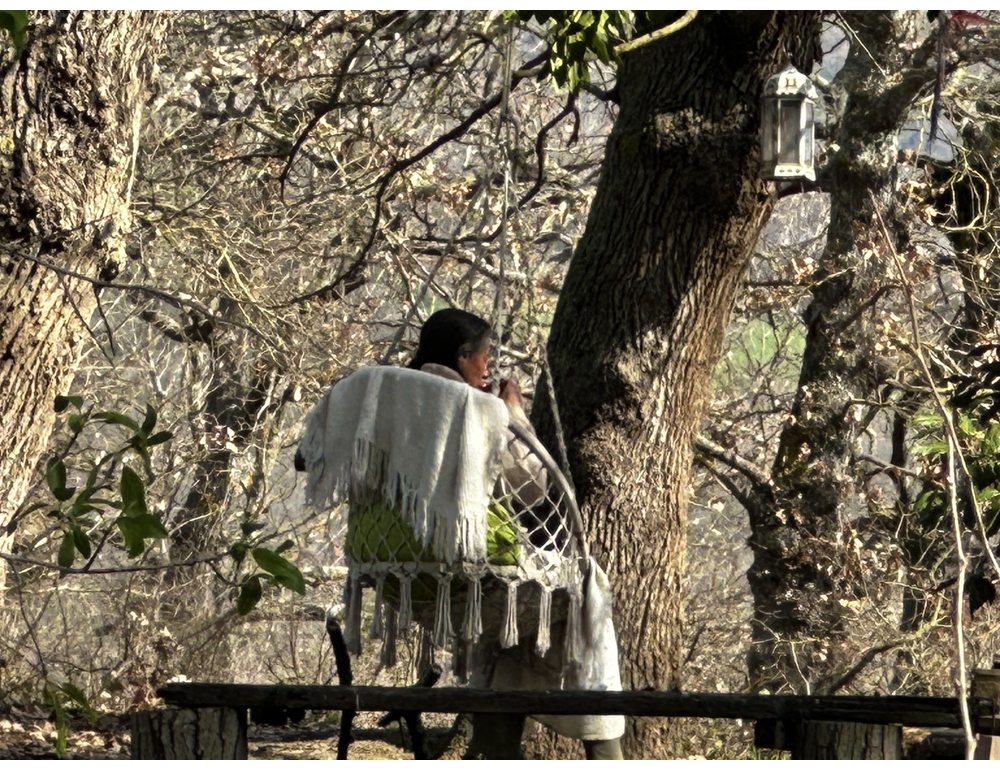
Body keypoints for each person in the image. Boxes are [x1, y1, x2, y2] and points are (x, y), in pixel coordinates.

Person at [409, 308, 624, 761]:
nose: (488, 368)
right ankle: (604, 746)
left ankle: (495, 745)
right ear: (463, 356)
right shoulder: (474, 409)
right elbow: (531, 487)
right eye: (484, 357)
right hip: (472, 572)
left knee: (514, 626)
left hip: (413, 565)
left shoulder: (400, 399)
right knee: (587, 589)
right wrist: (513, 416)